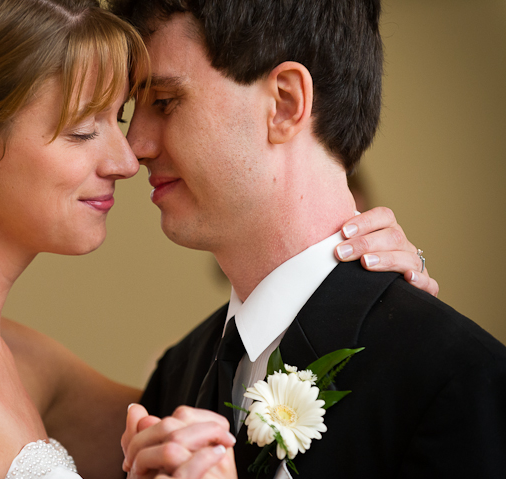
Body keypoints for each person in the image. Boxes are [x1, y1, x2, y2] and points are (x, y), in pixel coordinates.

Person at [0, 1, 440, 479]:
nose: (125, 159)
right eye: (82, 130)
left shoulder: (2, 348)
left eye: (120, 118)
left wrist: (350, 286)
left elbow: (213, 413)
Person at [111, 1, 506, 478]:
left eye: (165, 102)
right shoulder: (178, 374)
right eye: (134, 110)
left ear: (285, 102)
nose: (135, 147)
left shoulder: (461, 381)